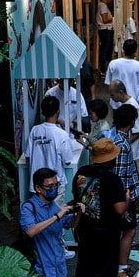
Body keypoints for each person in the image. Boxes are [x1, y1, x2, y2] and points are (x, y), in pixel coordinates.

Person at [70, 139, 129, 277]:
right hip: (107, 231)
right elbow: (119, 209)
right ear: (111, 160)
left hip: (85, 227)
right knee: (106, 268)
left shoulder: (82, 173)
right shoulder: (113, 179)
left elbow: (77, 197)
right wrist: (126, 198)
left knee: (85, 262)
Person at [26, 96, 82, 259]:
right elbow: (67, 160)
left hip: (37, 184)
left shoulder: (35, 130)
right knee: (57, 217)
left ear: (43, 111)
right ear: (58, 111)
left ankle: (43, 249)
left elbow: (29, 155)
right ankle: (59, 248)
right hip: (54, 184)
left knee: (40, 218)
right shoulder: (61, 134)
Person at [103, 104, 139, 277]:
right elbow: (120, 174)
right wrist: (128, 197)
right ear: (131, 121)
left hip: (117, 195)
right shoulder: (122, 144)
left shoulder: (113, 136)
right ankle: (121, 270)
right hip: (123, 196)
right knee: (128, 230)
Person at [107, 79, 139, 162]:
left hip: (131, 148)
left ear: (120, 92)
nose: (111, 98)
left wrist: (122, 145)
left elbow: (137, 132)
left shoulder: (132, 106)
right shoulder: (125, 103)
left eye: (112, 95)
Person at [104, 38, 139, 105]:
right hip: (133, 102)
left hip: (116, 103)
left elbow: (108, 83)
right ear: (135, 52)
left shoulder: (113, 64)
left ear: (123, 50)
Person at [77, 98, 112, 171]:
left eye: (91, 113)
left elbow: (99, 150)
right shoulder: (99, 124)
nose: (90, 115)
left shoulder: (103, 129)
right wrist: (86, 136)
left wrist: (83, 143)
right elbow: (95, 139)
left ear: (98, 113)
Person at [96, 0, 114, 69]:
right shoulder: (103, 5)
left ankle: (104, 68)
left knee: (106, 49)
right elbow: (105, 20)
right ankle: (103, 68)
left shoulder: (102, 5)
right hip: (105, 30)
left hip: (104, 30)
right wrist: (114, 17)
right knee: (105, 49)